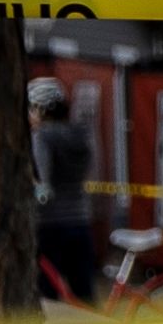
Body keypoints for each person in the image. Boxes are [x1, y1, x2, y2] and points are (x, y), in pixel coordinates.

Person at [31, 83, 108, 306]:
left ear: (40, 109)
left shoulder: (42, 137)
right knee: (84, 294)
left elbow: (44, 185)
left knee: (47, 295)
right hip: (80, 220)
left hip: (49, 225)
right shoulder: (81, 134)